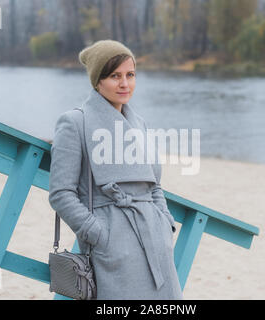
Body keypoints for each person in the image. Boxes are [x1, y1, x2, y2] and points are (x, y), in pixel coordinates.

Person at [48, 40, 183, 300]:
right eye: (114, 76)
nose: (125, 84)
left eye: (130, 75)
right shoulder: (75, 122)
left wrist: (165, 224)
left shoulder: (139, 123)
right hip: (111, 247)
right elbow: (60, 193)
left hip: (156, 241)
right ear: (97, 81)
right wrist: (98, 235)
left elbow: (154, 185)